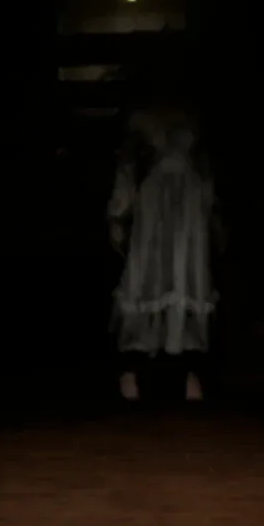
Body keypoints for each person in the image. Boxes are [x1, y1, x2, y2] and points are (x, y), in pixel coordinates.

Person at [106, 102, 224, 401]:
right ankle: (132, 369)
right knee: (147, 274)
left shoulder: (194, 117)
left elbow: (206, 171)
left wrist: (212, 215)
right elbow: (127, 169)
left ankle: (189, 370)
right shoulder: (140, 118)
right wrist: (119, 213)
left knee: (185, 274)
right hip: (154, 201)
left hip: (189, 203)